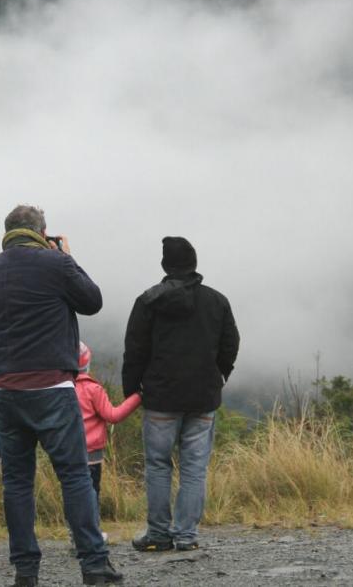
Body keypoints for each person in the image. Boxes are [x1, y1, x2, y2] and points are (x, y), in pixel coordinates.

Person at [0, 205, 123, 587]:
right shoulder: (56, 265)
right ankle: (93, 565)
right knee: (74, 476)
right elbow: (92, 301)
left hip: (2, 389)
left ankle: (26, 571)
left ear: (7, 232)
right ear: (42, 233)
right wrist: (66, 257)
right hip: (52, 387)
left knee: (17, 482)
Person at [121, 236, 240, 552]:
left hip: (160, 397)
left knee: (158, 465)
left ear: (165, 266)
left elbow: (134, 350)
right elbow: (230, 345)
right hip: (203, 397)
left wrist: (131, 391)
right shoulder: (217, 301)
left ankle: (158, 535)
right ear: (194, 264)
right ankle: (186, 536)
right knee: (194, 468)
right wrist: (219, 375)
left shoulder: (148, 301)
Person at [73, 341, 141, 543]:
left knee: (73, 491)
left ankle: (75, 533)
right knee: (92, 493)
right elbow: (113, 415)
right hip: (92, 453)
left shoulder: (63, 388)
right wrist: (138, 397)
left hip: (68, 450)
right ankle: (91, 534)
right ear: (87, 364)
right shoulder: (93, 390)